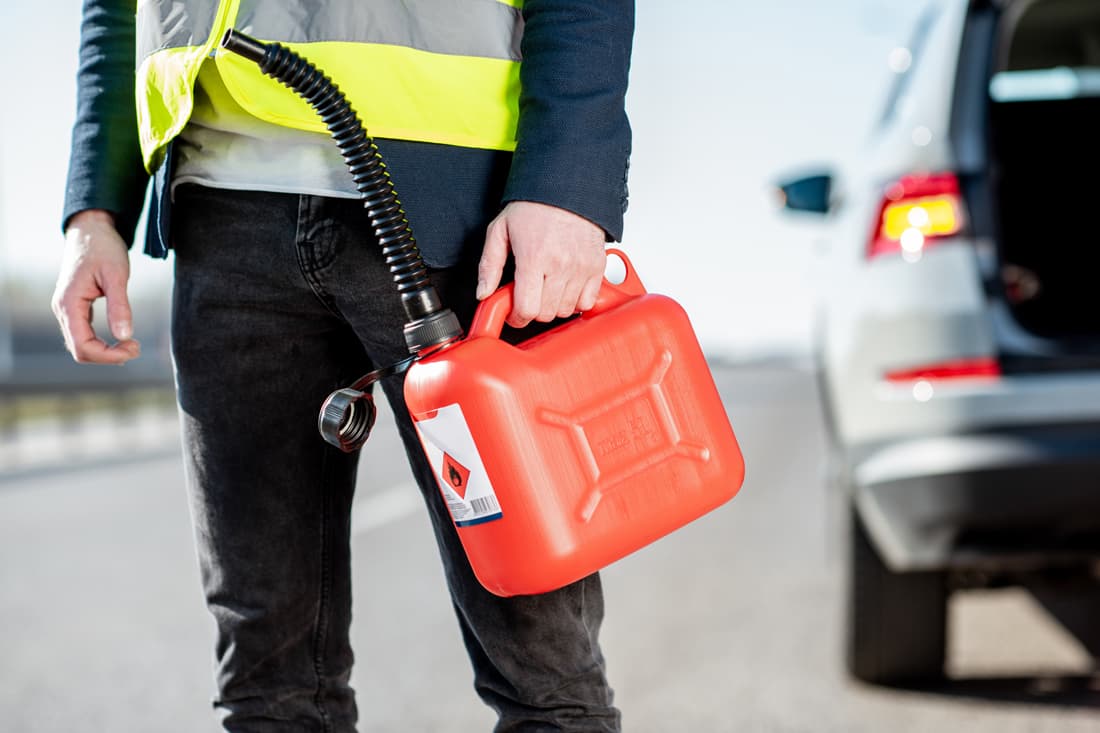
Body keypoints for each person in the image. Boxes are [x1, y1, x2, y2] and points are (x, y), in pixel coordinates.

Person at [51, 1, 633, 731]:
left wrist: (566, 182)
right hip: (224, 215)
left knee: (544, 666)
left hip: (460, 219)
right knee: (267, 680)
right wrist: (94, 210)